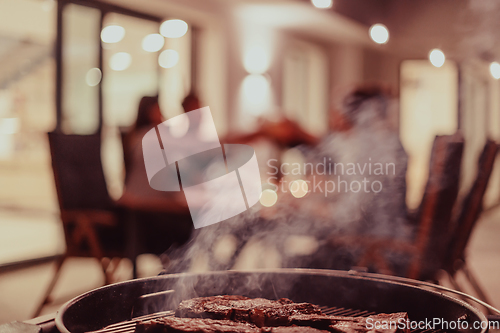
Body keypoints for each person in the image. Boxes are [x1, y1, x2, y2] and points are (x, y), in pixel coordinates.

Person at [120, 95, 193, 255]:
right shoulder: (151, 139)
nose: (163, 116)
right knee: (193, 224)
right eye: (159, 110)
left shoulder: (139, 138)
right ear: (150, 112)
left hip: (144, 212)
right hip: (146, 215)